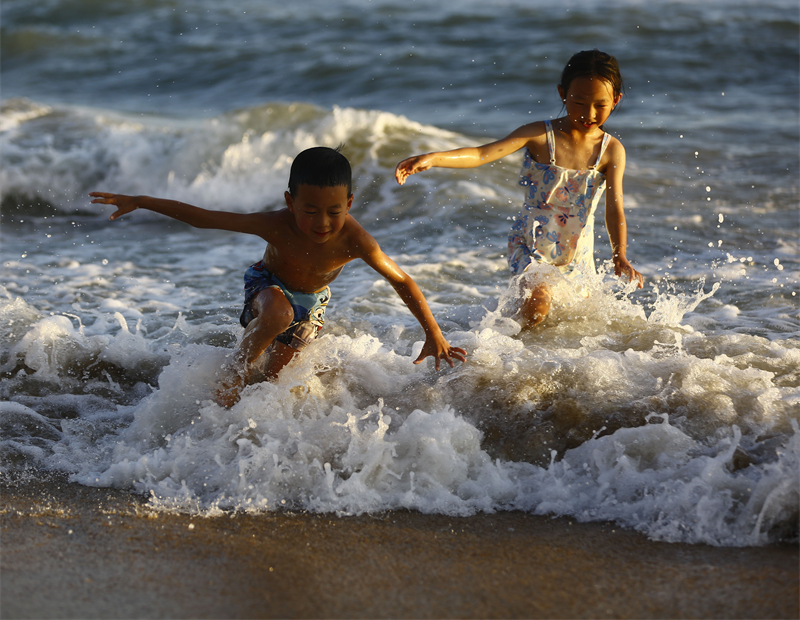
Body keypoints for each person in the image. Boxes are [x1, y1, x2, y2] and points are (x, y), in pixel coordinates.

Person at [91, 146, 466, 407]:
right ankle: (233, 374)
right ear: (290, 202)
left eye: (333, 211)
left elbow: (402, 281)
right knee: (277, 315)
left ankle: (250, 410)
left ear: (349, 203)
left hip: (313, 305)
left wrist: (433, 333)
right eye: (309, 210)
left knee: (274, 384)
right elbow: (206, 217)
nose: (321, 223)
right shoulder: (276, 224)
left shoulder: (358, 241)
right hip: (266, 285)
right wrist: (142, 201)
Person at [395, 49, 643, 327]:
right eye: (579, 101)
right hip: (532, 242)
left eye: (600, 105)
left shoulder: (611, 151)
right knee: (537, 307)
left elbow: (615, 207)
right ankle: (500, 356)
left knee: (571, 324)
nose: (588, 113)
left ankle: (529, 363)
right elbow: (480, 154)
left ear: (616, 100)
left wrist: (618, 254)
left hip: (578, 252)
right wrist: (433, 158)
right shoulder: (539, 135)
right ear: (562, 94)